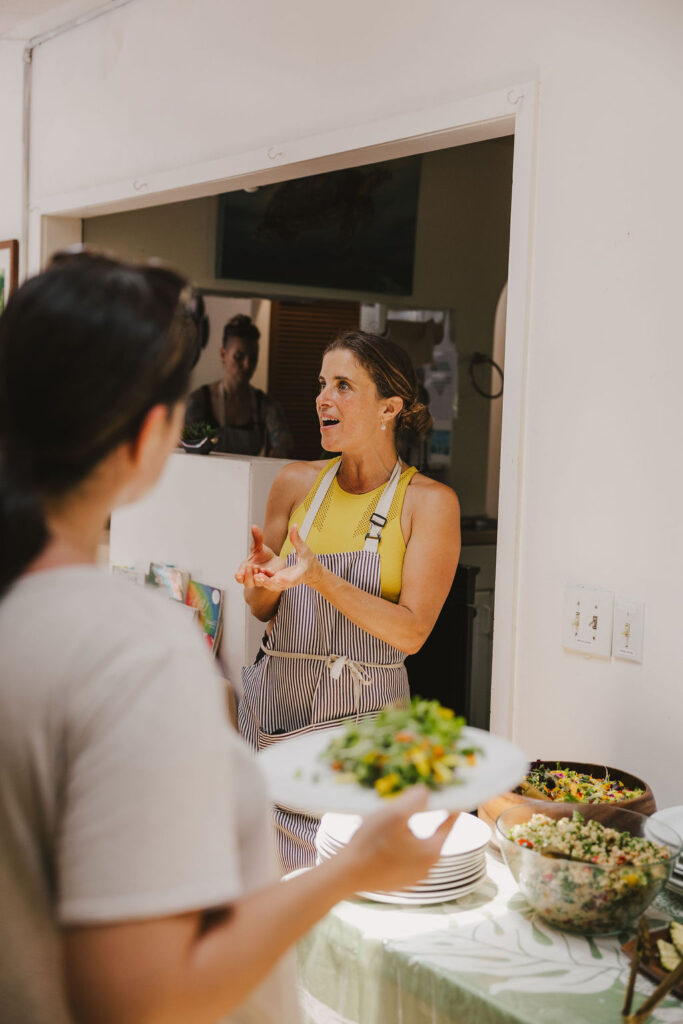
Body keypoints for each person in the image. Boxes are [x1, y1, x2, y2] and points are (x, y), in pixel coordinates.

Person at [0, 255, 456, 1024]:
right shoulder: (135, 648)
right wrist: (359, 870)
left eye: (342, 383)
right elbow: (149, 993)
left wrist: (284, 587)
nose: (323, 397)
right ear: (151, 437)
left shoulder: (40, 616)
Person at [235, 330, 461, 871]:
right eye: (321, 384)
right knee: (258, 893)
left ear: (389, 407)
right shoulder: (295, 484)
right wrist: (259, 585)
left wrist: (319, 578)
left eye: (342, 385)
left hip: (362, 745)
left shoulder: (429, 504)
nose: (322, 398)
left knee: (343, 895)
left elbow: (412, 632)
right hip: (272, 722)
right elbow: (265, 612)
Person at [184, 312, 293, 456]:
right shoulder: (199, 401)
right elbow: (182, 445)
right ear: (223, 355)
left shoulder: (265, 406)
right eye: (239, 357)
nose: (247, 365)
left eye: (253, 358)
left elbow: (285, 444)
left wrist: (278, 452)